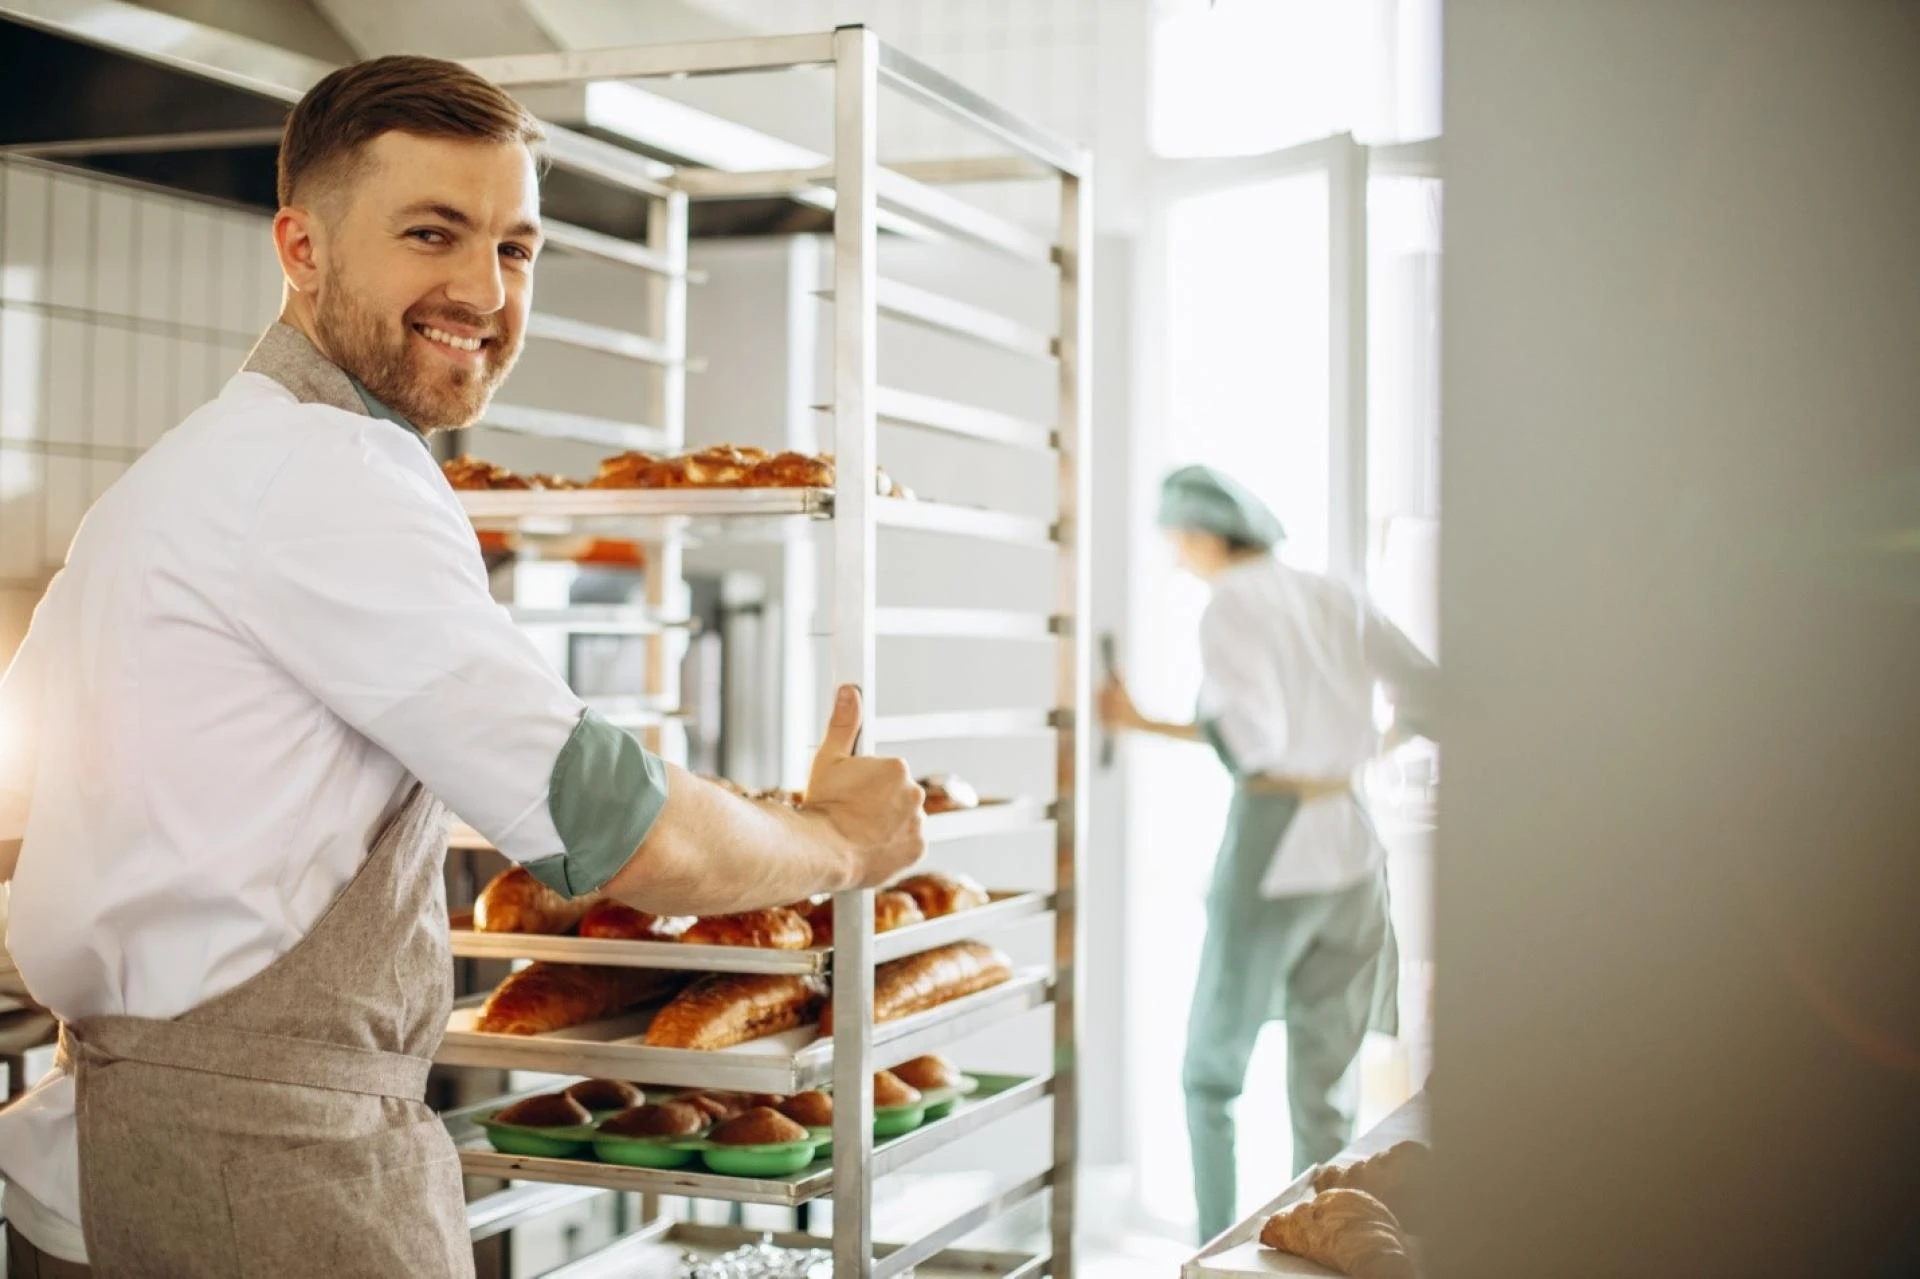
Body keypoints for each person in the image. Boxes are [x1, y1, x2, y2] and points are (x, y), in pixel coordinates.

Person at [0, 56, 925, 1278]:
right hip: (256, 1185)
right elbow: (619, 830)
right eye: (431, 233)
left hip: (104, 1169)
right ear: (302, 248)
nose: (485, 289)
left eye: (518, 247)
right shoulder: (334, 479)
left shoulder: (186, 472)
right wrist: (841, 842)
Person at [1099, 465, 1437, 1243]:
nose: (1177, 557)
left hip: (1274, 843)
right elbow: (1429, 693)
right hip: (1353, 844)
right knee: (1323, 1088)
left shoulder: (1231, 606)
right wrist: (1366, 749)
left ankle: (1215, 1247)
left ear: (1205, 533)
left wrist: (1151, 723)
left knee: (1209, 1074)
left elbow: (1255, 743)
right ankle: (1328, 1246)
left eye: (1176, 540)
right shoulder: (1333, 594)